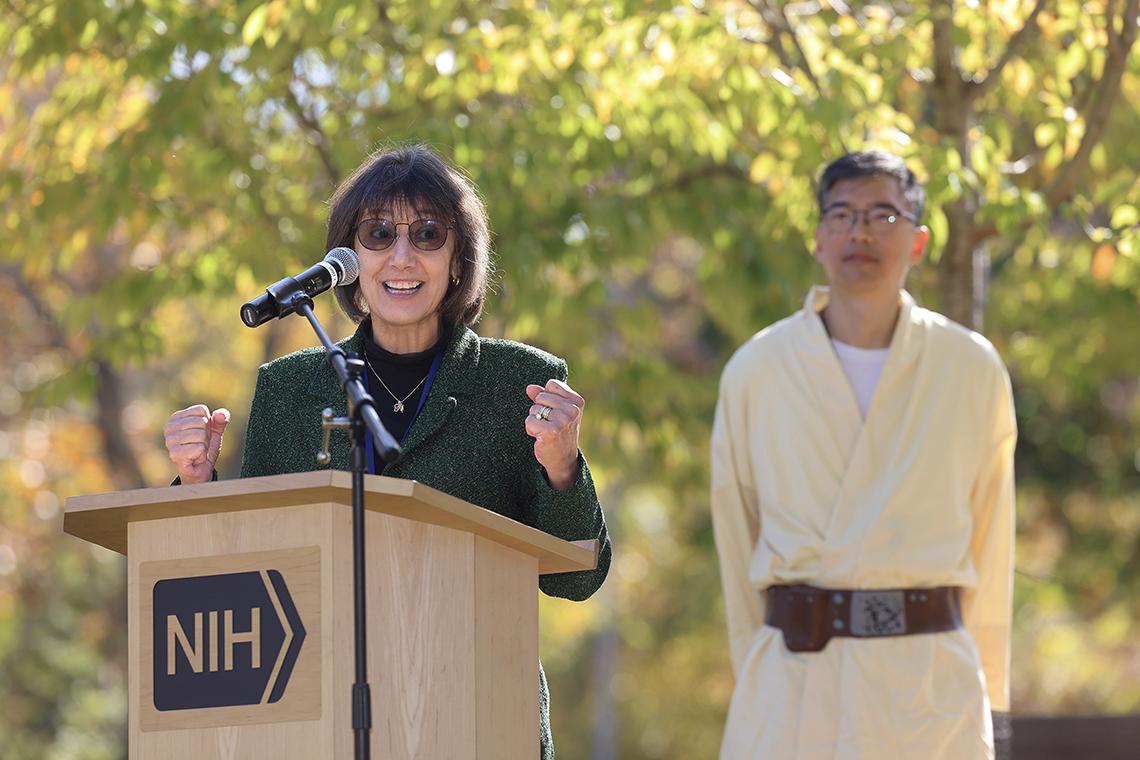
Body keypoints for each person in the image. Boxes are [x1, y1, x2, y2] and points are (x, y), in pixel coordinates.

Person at [163, 144, 612, 759]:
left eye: (428, 233)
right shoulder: (289, 389)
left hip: (478, 719)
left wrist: (561, 465)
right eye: (378, 233)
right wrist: (197, 481)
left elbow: (579, 581)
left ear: (458, 260)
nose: (402, 256)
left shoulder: (519, 383)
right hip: (319, 724)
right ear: (349, 260)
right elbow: (243, 580)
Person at [710, 150, 1015, 759]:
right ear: (818, 238)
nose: (861, 233)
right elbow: (735, 534)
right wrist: (757, 670)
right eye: (843, 215)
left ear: (920, 241)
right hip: (792, 684)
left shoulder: (970, 367)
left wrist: (987, 690)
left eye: (883, 215)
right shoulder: (758, 369)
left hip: (927, 688)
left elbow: (992, 534)